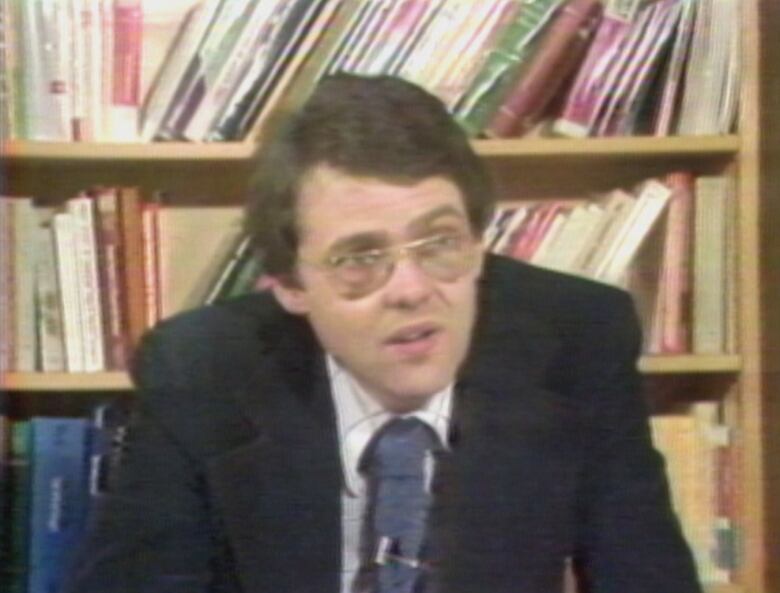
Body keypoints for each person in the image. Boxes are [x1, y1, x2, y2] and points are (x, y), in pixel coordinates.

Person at [64, 74, 702, 593]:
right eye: (360, 258)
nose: (411, 288)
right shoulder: (201, 369)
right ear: (289, 285)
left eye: (441, 243)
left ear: (480, 244)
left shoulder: (576, 339)